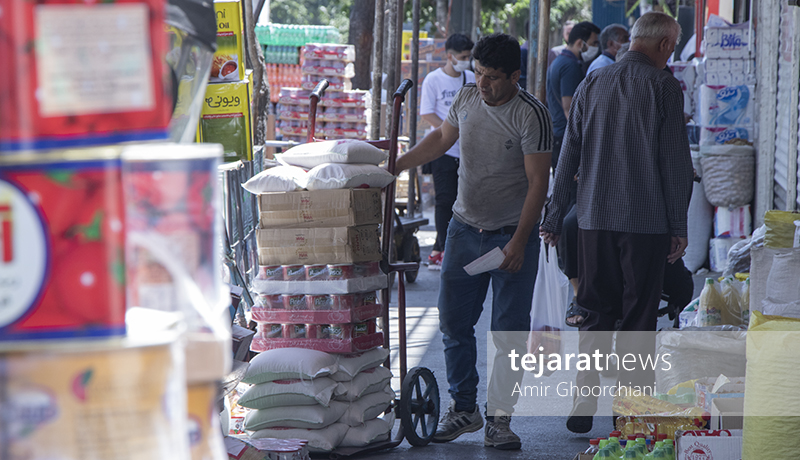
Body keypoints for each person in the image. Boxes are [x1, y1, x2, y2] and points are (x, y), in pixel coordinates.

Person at [395, 33, 552, 450]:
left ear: (514, 76)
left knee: (507, 332)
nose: (483, 83)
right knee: (453, 324)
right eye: (478, 73)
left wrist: (519, 243)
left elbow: (539, 183)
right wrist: (396, 166)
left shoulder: (531, 114)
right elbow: (442, 140)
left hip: (509, 237)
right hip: (464, 231)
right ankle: (464, 409)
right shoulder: (466, 98)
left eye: (493, 77)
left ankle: (500, 419)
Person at [540, 12, 694, 434]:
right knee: (639, 316)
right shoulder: (663, 86)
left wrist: (554, 215)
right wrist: (678, 224)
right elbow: (675, 162)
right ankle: (629, 412)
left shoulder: (594, 80)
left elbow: (568, 152)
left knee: (593, 310)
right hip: (644, 224)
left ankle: (583, 399)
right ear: (663, 46)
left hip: (592, 218)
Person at [420, 33, 476, 270]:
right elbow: (427, 113)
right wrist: (449, 130)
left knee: (460, 201)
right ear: (449, 56)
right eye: (462, 57)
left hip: (466, 151)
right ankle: (444, 250)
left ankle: (440, 247)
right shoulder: (433, 80)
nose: (466, 60)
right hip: (442, 148)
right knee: (444, 200)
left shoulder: (471, 77)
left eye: (468, 57)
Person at [546, 21, 600, 171]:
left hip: (560, 134)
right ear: (579, 43)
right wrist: (581, 142)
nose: (596, 47)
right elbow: (569, 108)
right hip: (565, 138)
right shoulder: (570, 66)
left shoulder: (559, 61)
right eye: (593, 43)